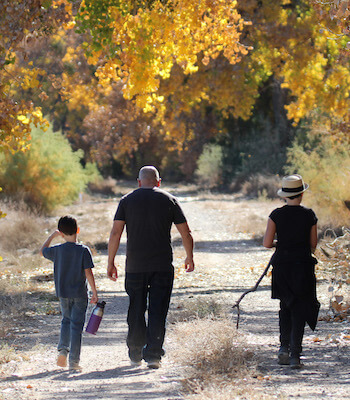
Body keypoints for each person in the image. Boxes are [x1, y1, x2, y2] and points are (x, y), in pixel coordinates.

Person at [107, 165, 194, 369]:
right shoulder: (169, 200)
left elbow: (115, 233)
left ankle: (135, 352)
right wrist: (189, 256)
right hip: (162, 265)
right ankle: (154, 355)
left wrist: (110, 262)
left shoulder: (126, 201)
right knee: (158, 309)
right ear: (158, 182)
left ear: (139, 182)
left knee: (136, 308)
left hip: (135, 266)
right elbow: (186, 233)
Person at [263, 174, 319, 369]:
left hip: (282, 268)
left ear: (284, 195)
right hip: (303, 267)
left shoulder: (276, 215)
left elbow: (267, 243)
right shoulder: (309, 215)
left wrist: (282, 242)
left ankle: (283, 348)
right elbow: (313, 245)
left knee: (285, 307)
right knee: (300, 309)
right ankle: (296, 354)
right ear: (301, 194)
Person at [40, 215, 98, 372]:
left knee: (66, 320)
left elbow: (42, 251)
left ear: (61, 233)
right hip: (79, 294)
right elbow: (88, 273)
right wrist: (94, 292)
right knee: (77, 326)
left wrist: (52, 235)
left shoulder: (57, 250)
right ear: (77, 230)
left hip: (63, 293)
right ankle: (73, 361)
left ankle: (62, 350)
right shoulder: (83, 250)